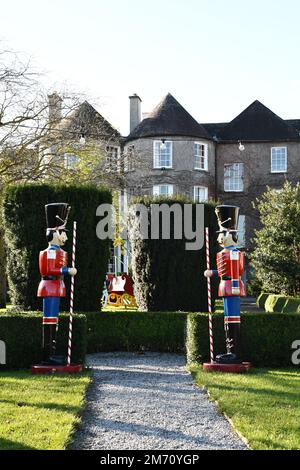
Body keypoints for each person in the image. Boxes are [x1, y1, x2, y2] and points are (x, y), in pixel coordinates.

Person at [204, 205, 246, 364]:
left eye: (221, 234)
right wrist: (212, 273)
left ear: (230, 234)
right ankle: (230, 351)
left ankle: (234, 352)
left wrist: (234, 287)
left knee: (233, 318)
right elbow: (223, 271)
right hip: (226, 287)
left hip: (231, 288)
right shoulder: (225, 253)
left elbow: (235, 272)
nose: (219, 238)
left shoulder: (234, 253)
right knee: (228, 318)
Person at [37, 203, 77, 365]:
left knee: (55, 319)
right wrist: (67, 271)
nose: (65, 237)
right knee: (49, 319)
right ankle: (47, 354)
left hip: (57, 287)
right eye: (62, 233)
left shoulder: (60, 252)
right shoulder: (49, 252)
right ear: (53, 234)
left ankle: (53, 352)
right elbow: (49, 269)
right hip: (49, 287)